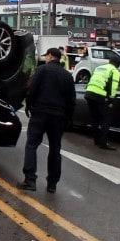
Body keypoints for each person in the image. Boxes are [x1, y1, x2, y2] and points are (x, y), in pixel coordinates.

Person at [19, 47, 76, 193]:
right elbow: (71, 100)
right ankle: (52, 184)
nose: (46, 58)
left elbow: (31, 89)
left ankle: (30, 180)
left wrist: (29, 106)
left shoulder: (42, 70)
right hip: (58, 117)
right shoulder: (67, 75)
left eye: (46, 56)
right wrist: (68, 118)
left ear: (50, 56)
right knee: (55, 149)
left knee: (31, 145)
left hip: (40, 113)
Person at [84, 54, 120, 151]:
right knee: (106, 119)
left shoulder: (99, 68)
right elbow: (113, 86)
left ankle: (96, 140)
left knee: (95, 118)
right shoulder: (114, 71)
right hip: (100, 95)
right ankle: (103, 143)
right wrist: (111, 99)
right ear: (118, 64)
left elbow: (92, 79)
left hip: (89, 93)